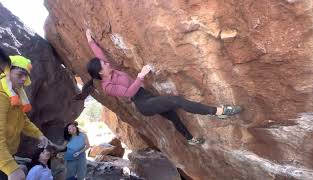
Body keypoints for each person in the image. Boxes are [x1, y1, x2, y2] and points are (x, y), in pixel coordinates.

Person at [76, 29, 242, 145]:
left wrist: (90, 40)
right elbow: (128, 92)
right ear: (100, 72)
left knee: (173, 116)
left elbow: (99, 54)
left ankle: (190, 140)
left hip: (147, 96)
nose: (106, 62)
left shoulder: (107, 70)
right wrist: (140, 76)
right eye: (103, 64)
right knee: (176, 101)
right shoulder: (108, 86)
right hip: (143, 104)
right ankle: (219, 112)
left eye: (105, 62)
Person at [0, 55, 49, 180]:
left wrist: (39, 134)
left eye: (26, 75)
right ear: (8, 72)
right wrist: (11, 168)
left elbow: (23, 120)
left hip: (7, 154)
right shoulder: (2, 96)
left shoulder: (15, 94)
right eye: (20, 74)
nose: (23, 79)